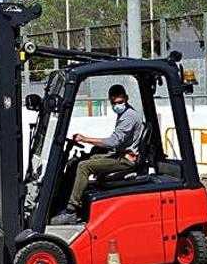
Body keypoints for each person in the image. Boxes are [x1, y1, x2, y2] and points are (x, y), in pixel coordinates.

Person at [51, 84, 145, 224]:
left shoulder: (129, 117)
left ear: (126, 98)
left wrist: (85, 139)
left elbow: (113, 142)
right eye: (113, 103)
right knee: (77, 162)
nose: (116, 105)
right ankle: (64, 201)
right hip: (120, 154)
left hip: (126, 160)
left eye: (120, 102)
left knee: (84, 166)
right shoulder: (124, 114)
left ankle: (71, 211)